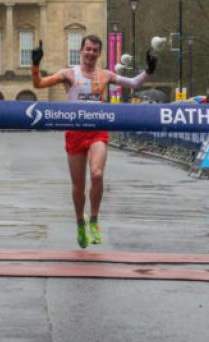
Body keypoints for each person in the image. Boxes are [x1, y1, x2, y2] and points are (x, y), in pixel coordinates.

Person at [32, 35, 157, 248]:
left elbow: (134, 83)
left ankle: (94, 220)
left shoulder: (105, 75)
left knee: (97, 174)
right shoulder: (69, 74)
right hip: (74, 133)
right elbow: (39, 84)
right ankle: (80, 222)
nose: (90, 53)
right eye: (87, 49)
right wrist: (35, 65)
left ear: (99, 53)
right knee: (78, 187)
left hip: (97, 131)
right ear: (80, 51)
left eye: (95, 50)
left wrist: (149, 70)